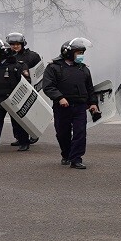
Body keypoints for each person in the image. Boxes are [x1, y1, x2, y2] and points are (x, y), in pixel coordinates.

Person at [43, 38, 98, 168]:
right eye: (78, 53)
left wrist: (93, 103)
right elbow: (48, 86)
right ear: (68, 53)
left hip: (79, 106)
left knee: (80, 133)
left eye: (82, 53)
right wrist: (59, 97)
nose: (81, 56)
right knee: (63, 133)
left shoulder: (83, 69)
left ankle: (76, 159)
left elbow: (90, 88)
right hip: (62, 107)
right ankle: (66, 154)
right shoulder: (53, 67)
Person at [6, 32, 42, 146]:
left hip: (29, 88)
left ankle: (33, 133)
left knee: (30, 113)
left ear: (22, 44)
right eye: (12, 44)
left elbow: (39, 72)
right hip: (13, 89)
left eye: (17, 44)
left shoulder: (32, 56)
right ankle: (19, 137)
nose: (15, 46)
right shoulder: (7, 56)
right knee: (14, 115)